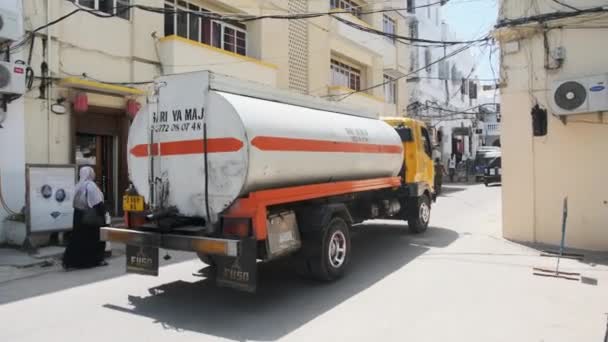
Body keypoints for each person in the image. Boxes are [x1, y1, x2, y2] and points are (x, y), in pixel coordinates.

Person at [62, 166, 108, 269]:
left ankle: (73, 262)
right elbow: (97, 203)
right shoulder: (90, 186)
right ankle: (95, 260)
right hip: (91, 217)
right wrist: (103, 214)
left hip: (79, 216)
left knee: (78, 239)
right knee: (95, 239)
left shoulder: (78, 185)